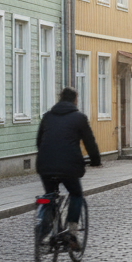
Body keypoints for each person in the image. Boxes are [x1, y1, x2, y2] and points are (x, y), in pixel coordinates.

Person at [36, 87, 101, 250]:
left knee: (49, 196)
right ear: (75, 100)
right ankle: (71, 233)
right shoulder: (79, 118)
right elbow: (89, 142)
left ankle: (44, 230)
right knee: (76, 194)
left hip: (45, 165)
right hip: (69, 166)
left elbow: (39, 141)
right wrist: (95, 160)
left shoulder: (47, 117)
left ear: (60, 99)